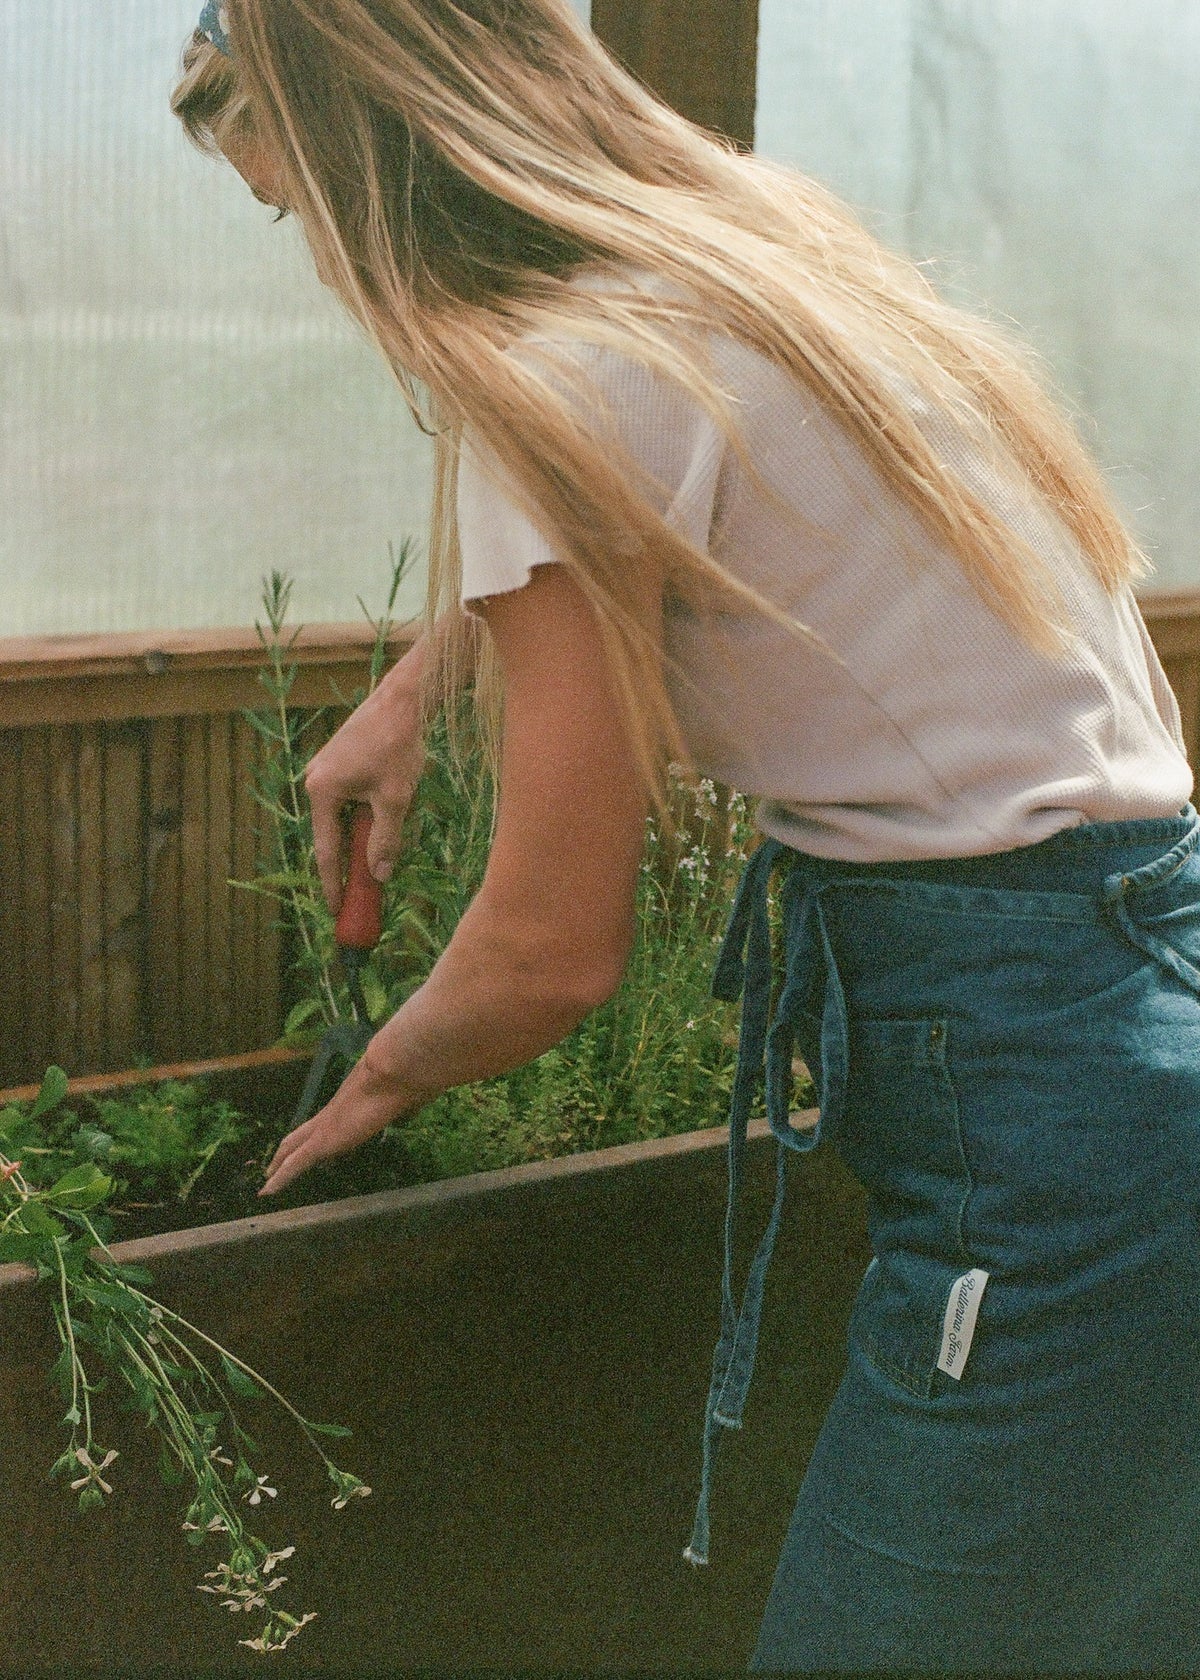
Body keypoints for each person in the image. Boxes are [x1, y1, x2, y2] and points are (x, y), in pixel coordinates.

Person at [171, 3, 1200, 1671]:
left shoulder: (550, 363)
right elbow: (676, 503)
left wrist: (369, 1088)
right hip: (1137, 1007)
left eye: (296, 213)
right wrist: (427, 689)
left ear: (373, 167)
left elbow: (545, 955)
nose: (319, 270)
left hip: (1037, 1106)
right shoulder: (751, 259)